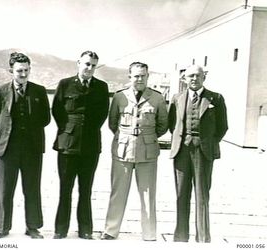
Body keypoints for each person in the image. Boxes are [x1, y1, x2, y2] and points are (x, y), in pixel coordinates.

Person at [101, 62, 168, 241]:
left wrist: (146, 137)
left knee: (148, 194)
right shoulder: (119, 97)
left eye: (143, 76)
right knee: (118, 192)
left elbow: (162, 126)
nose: (139, 79)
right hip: (123, 150)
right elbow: (112, 123)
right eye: (136, 76)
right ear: (129, 76)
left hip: (147, 152)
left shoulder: (157, 98)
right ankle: (110, 230)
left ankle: (149, 234)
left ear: (148, 76)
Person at [0, 52, 51, 239]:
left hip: (32, 148)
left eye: (26, 70)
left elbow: (45, 118)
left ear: (30, 69)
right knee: (5, 189)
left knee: (32, 188)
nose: (23, 75)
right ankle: (2, 227)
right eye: (19, 71)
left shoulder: (39, 91)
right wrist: (6, 132)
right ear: (11, 71)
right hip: (7, 149)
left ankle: (33, 227)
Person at [51, 51, 109, 239]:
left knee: (86, 189)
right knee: (65, 189)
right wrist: (70, 129)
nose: (89, 68)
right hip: (68, 144)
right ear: (78, 63)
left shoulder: (101, 87)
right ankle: (60, 230)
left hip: (91, 146)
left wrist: (86, 130)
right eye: (86, 64)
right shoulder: (65, 84)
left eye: (93, 65)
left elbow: (102, 114)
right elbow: (57, 111)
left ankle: (85, 229)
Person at [168, 65, 228, 243]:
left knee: (202, 194)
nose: (194, 79)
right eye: (190, 76)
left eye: (197, 75)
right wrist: (183, 139)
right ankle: (180, 236)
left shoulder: (215, 98)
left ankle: (203, 238)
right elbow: (173, 125)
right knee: (181, 194)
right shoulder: (176, 98)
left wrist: (208, 141)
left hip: (203, 151)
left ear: (204, 77)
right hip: (182, 150)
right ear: (184, 79)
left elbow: (223, 126)